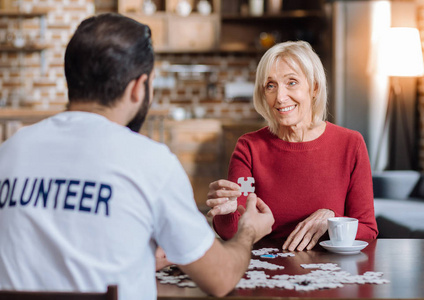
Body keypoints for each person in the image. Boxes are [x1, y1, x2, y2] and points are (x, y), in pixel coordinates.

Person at [0, 13, 274, 300]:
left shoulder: (9, 152)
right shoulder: (149, 161)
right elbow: (220, 279)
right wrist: (248, 232)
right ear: (137, 88)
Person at [206, 40, 378, 252]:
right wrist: (226, 211)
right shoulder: (249, 148)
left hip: (330, 273)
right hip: (265, 272)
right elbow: (233, 231)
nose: (280, 97)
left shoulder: (351, 144)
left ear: (314, 88)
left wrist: (332, 221)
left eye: (292, 82)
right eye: (271, 85)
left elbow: (368, 229)